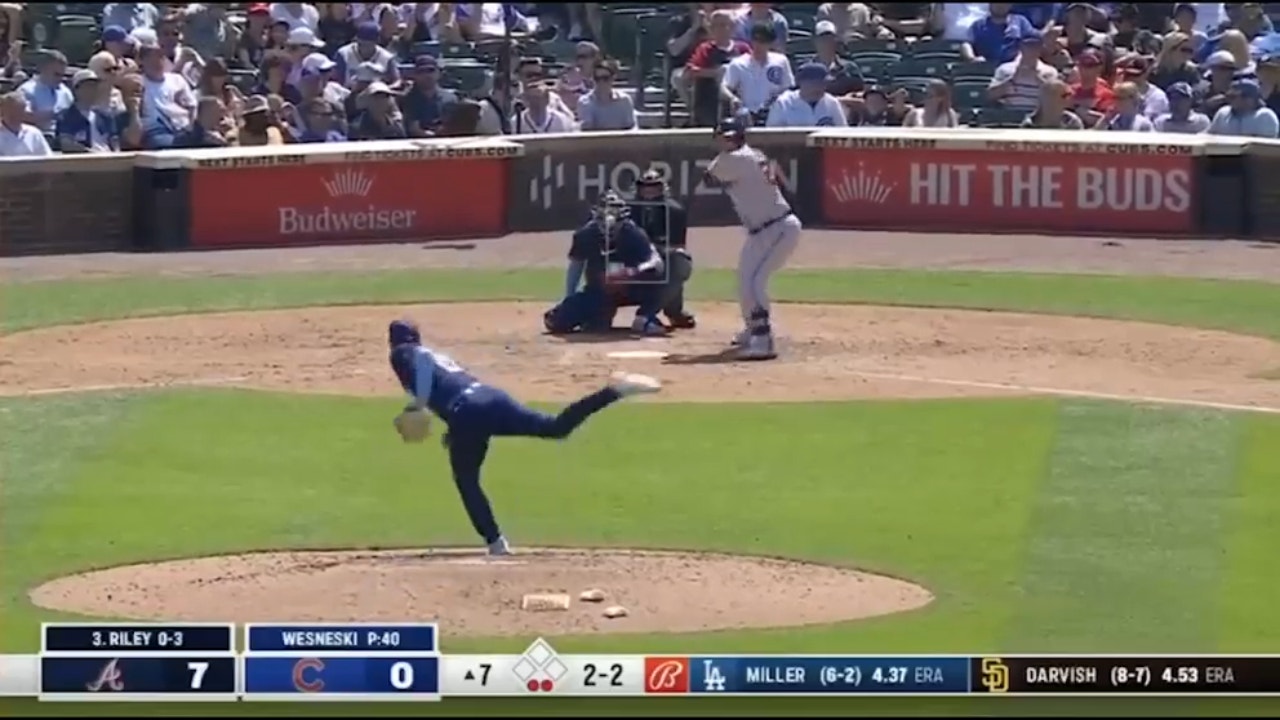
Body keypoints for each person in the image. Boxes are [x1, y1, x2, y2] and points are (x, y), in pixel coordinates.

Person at [387, 319, 661, 556]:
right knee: (556, 428)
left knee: (466, 480)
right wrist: (452, 427)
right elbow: (446, 384)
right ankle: (615, 391)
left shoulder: (403, 352)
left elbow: (421, 361)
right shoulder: (438, 357)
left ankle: (496, 542)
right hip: (489, 398)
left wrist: (417, 404)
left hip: (467, 412)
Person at [704, 116, 801, 361]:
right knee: (744, 282)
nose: (724, 142)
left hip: (778, 228)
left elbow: (709, 177)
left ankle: (763, 340)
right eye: (721, 138)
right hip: (763, 230)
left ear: (739, 137)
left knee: (755, 284)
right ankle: (752, 328)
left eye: (729, 137)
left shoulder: (737, 159)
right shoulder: (751, 155)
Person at [628, 170, 695, 329]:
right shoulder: (629, 210)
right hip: (634, 260)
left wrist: (656, 250)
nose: (649, 191)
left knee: (678, 263)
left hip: (663, 258)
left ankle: (669, 311)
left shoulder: (674, 210)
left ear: (661, 189)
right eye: (645, 187)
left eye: (653, 187)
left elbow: (678, 246)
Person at [722, 23, 794, 125]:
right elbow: (724, 87)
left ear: (770, 43)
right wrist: (733, 98)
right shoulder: (738, 63)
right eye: (756, 40)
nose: (758, 45)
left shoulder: (781, 61)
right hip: (747, 114)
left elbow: (788, 87)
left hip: (775, 112)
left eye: (763, 42)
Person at [55, 70, 123, 153]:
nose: (94, 90)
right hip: (82, 161)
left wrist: (116, 154)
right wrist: (89, 152)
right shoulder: (65, 116)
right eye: (89, 86)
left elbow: (114, 140)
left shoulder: (105, 116)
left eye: (95, 86)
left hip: (107, 158)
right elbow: (66, 143)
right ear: (77, 90)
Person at [765, 61, 847, 127]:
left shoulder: (832, 102)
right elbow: (771, 136)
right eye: (815, 83)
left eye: (823, 83)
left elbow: (843, 132)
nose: (820, 87)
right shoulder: (783, 103)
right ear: (801, 83)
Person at [1208, 78, 1280, 137]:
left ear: (1250, 99)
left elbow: (1265, 147)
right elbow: (1210, 135)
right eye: (1229, 96)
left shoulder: (1265, 116)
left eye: (1233, 97)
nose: (1230, 100)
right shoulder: (1223, 113)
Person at [0, 90, 53, 157]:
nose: (16, 115)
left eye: (20, 110)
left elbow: (47, 159)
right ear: (2, 111)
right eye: (13, 110)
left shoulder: (34, 133)